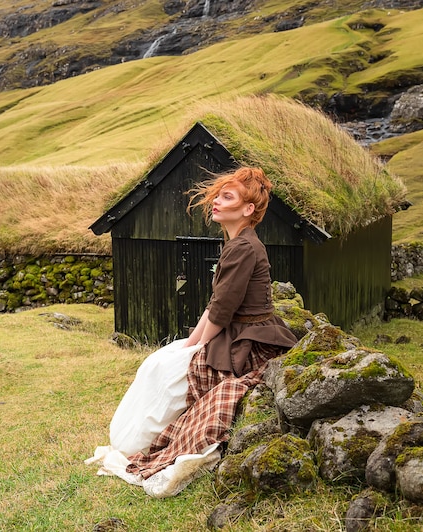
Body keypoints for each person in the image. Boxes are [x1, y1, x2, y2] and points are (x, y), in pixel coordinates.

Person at [86, 166, 297, 497]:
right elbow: (215, 305)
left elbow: (222, 310)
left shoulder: (243, 247)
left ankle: (131, 444)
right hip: (235, 334)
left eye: (227, 197)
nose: (215, 200)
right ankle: (126, 440)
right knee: (161, 361)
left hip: (249, 343)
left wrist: (195, 349)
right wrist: (191, 343)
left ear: (248, 209)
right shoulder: (238, 243)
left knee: (164, 371)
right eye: (217, 194)